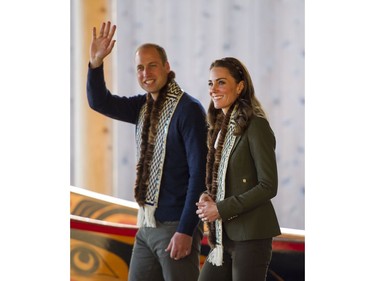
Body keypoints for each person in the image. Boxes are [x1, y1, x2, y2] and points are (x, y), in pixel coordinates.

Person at [86, 21, 208, 281]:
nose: (145, 72)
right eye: (140, 67)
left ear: (167, 67)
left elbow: (200, 174)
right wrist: (96, 64)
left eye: (152, 65)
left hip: (177, 226)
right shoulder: (142, 106)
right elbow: (100, 102)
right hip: (147, 224)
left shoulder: (188, 110)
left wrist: (187, 229)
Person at [196, 57, 281, 281]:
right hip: (222, 238)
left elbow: (268, 186)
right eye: (210, 83)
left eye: (221, 82)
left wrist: (221, 209)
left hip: (251, 236)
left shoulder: (256, 125)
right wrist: (208, 197)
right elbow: (222, 179)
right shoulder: (217, 128)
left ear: (240, 86)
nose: (213, 89)